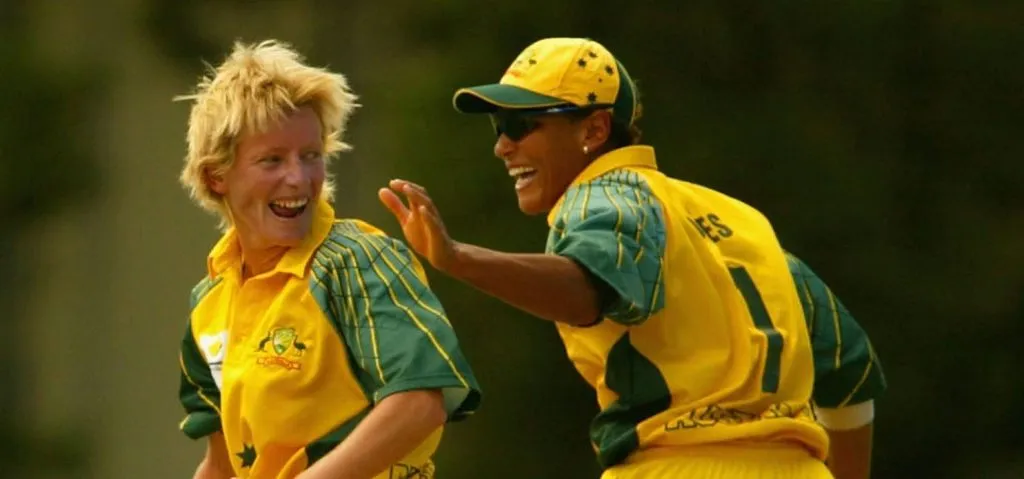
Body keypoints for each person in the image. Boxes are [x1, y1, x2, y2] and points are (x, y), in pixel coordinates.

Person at [378, 37, 885, 478]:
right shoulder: (744, 222)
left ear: (595, 131)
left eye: (521, 122)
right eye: (498, 125)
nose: (502, 146)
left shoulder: (605, 192)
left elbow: (591, 286)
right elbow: (850, 366)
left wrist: (458, 258)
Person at [175, 40, 481, 479]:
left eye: (312, 155)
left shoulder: (357, 261)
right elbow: (222, 464)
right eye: (272, 160)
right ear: (215, 176)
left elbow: (420, 402)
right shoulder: (209, 302)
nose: (298, 178)